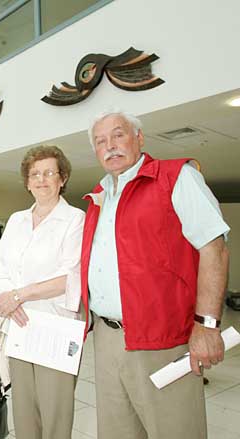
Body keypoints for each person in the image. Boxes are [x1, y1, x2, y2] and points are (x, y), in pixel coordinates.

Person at [81, 109, 230, 439]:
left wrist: (207, 325)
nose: (110, 146)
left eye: (118, 135)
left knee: (175, 429)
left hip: (162, 337)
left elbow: (214, 248)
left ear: (139, 138)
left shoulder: (176, 177)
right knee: (118, 431)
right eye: (100, 141)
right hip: (107, 338)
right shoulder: (99, 196)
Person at [0, 145, 85, 439]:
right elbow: (0, 267)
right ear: (27, 181)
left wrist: (19, 295)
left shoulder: (75, 219)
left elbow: (70, 276)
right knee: (24, 411)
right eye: (35, 174)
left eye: (49, 173)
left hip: (54, 325)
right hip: (19, 326)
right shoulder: (18, 220)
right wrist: (7, 298)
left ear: (63, 178)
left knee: (54, 413)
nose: (41, 179)